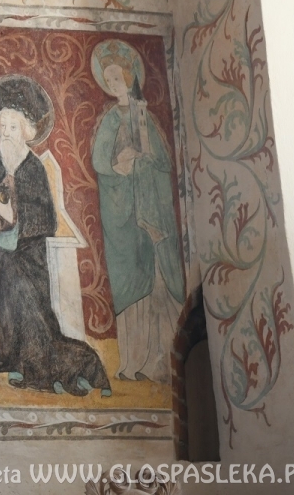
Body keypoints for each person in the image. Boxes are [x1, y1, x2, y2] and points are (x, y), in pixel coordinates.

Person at [0, 76, 110, 396]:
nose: (5, 133)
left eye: (12, 127)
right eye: (2, 126)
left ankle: (29, 359)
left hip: (28, 253)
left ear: (26, 131)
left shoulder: (32, 169)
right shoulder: (4, 165)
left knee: (8, 272)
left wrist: (12, 226)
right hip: (6, 245)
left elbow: (43, 220)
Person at [92, 42, 185, 384]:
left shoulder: (145, 117)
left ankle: (163, 360)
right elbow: (100, 162)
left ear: (130, 78)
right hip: (125, 215)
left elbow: (163, 161)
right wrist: (122, 162)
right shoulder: (110, 120)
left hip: (152, 212)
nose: (114, 84)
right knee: (134, 281)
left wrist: (145, 156)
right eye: (108, 80)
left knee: (160, 279)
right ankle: (133, 362)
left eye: (117, 77)